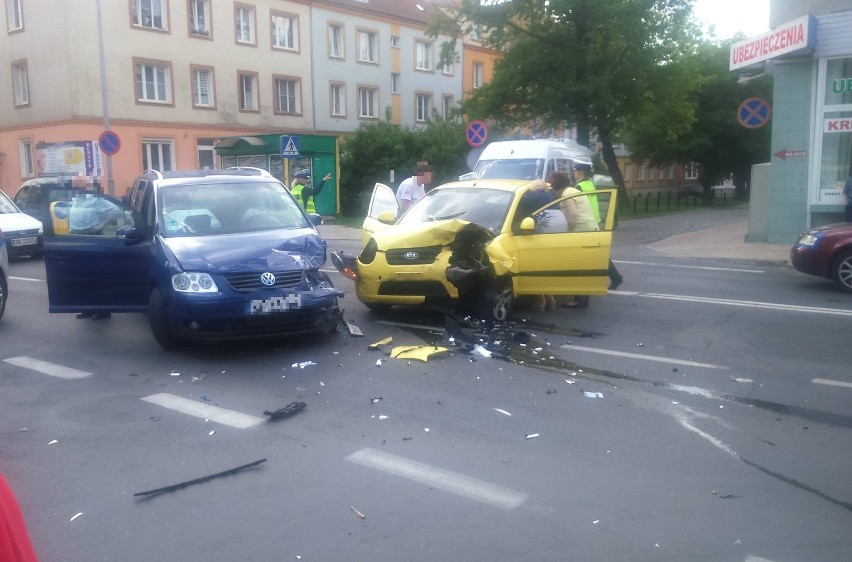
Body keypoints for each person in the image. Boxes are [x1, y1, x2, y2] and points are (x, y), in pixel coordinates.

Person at [516, 180, 566, 312]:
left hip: (542, 234)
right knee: (546, 268)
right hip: (560, 234)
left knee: (534, 268)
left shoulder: (528, 197)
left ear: (533, 188)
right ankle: (550, 298)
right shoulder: (552, 197)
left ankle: (541, 300)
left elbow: (519, 216)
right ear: (544, 188)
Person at [573, 162, 623, 291]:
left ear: (581, 172)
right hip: (595, 222)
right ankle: (615, 277)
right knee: (597, 254)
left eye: (576, 171)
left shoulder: (579, 187)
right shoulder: (590, 184)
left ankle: (615, 278)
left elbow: (577, 207)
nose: (575, 173)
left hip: (586, 225)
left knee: (595, 254)